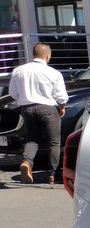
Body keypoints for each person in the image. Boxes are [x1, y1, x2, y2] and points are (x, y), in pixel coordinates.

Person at [8, 43, 67, 185]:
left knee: (32, 139)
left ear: (33, 54)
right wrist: (62, 107)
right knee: (54, 142)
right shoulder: (53, 72)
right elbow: (61, 96)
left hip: (27, 109)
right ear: (48, 56)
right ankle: (53, 174)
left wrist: (24, 99)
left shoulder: (18, 71)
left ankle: (26, 162)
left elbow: (13, 93)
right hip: (48, 109)